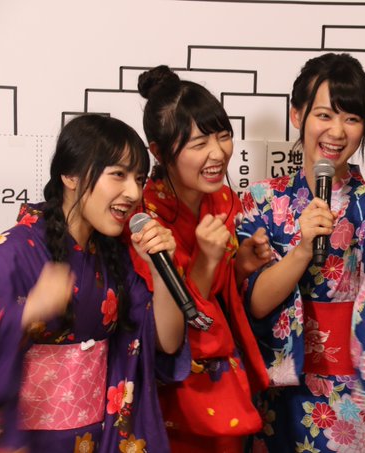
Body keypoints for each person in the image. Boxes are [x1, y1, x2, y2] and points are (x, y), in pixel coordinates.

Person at [237, 52, 365, 452]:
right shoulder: (260, 201)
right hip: (278, 391)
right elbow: (253, 303)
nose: (337, 132)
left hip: (352, 399)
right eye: (324, 115)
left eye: (352, 119)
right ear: (297, 115)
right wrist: (302, 251)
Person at [0, 114, 188, 451]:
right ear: (70, 175)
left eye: (139, 179)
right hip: (29, 442)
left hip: (97, 438)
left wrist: (160, 270)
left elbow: (167, 343)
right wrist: (25, 315)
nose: (133, 192)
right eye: (118, 174)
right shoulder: (10, 254)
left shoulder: (115, 256)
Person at [131, 65, 271, 453]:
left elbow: (222, 301)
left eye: (223, 136)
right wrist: (207, 263)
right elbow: (170, 333)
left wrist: (238, 267)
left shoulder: (223, 200)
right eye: (198, 144)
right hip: (171, 390)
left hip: (224, 380)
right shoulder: (144, 220)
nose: (218, 153)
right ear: (159, 152)